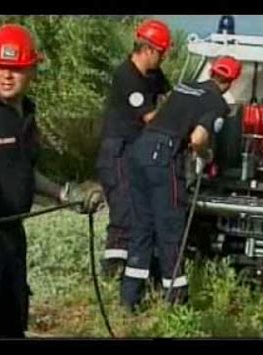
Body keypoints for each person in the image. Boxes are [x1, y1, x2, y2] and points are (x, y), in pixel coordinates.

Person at [0, 23, 103, 338]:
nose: (7, 75)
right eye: (1, 67)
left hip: (11, 236)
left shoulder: (25, 113)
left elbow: (22, 172)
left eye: (16, 69)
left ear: (32, 69)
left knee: (12, 322)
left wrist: (64, 195)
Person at [120, 56, 243, 310]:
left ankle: (129, 300)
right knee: (170, 228)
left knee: (142, 226)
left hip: (139, 150)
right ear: (231, 82)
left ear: (211, 71)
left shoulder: (184, 85)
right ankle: (176, 301)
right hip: (163, 157)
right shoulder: (217, 103)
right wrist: (205, 155)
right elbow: (199, 138)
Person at [96, 19, 172, 277]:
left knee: (140, 208)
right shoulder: (127, 76)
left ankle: (134, 266)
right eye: (161, 53)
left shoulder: (152, 75)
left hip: (136, 150)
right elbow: (151, 117)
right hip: (118, 150)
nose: (163, 58)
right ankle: (115, 269)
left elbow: (168, 98)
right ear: (148, 49)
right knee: (125, 209)